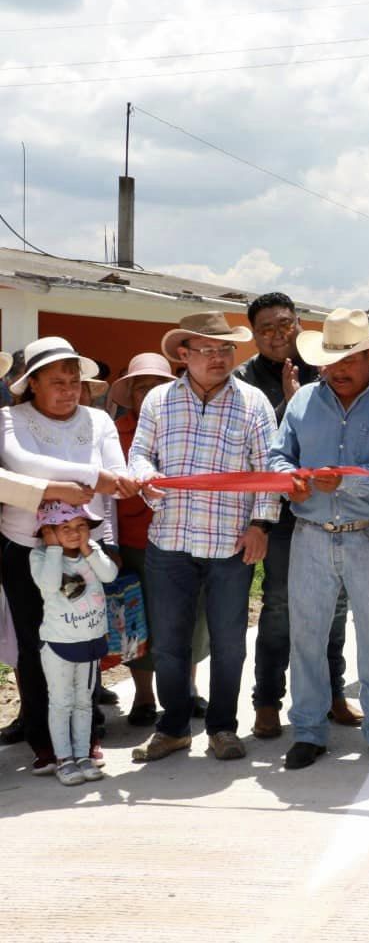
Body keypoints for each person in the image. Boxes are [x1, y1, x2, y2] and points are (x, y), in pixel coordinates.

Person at [268, 309, 369, 769]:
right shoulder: (302, 402)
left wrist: (348, 481)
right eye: (332, 359)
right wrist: (287, 478)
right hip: (310, 534)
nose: (338, 369)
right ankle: (309, 731)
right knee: (307, 637)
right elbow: (278, 455)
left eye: (349, 359)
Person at [127, 313, 280, 764]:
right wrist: (145, 476)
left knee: (229, 641)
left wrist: (261, 525)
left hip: (230, 543)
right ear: (183, 354)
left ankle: (222, 728)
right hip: (169, 539)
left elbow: (268, 470)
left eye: (226, 349)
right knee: (170, 643)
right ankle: (173, 727)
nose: (219, 358)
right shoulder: (158, 400)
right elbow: (140, 453)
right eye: (207, 350)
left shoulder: (253, 403)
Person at [0, 337, 133, 775]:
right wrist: (92, 477)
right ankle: (44, 739)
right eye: (57, 381)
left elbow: (117, 482)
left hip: (84, 548)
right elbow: (23, 464)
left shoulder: (98, 421)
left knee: (85, 640)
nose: (69, 389)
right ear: (30, 383)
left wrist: (105, 541)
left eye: (75, 381)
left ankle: (86, 733)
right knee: (36, 643)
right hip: (25, 547)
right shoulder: (9, 419)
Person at [234, 292, 357, 739]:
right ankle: (267, 701)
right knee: (281, 607)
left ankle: (333, 694)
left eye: (284, 325)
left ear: (299, 324)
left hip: (329, 508)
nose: (276, 336)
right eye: (265, 329)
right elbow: (261, 453)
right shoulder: (243, 381)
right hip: (278, 515)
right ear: (253, 334)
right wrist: (289, 403)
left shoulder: (326, 367)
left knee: (335, 607)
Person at [111, 352, 203, 730]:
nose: (149, 393)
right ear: (130, 394)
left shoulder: (192, 421)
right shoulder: (115, 432)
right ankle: (144, 696)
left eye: (158, 386)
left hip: (187, 533)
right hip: (137, 538)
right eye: (141, 387)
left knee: (191, 616)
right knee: (139, 618)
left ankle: (190, 689)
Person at [31, 501, 119, 785]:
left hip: (90, 642)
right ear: (48, 531)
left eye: (81, 526)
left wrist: (87, 549)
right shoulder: (40, 556)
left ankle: (83, 756)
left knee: (84, 702)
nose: (74, 532)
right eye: (64, 527)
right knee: (61, 702)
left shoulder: (91, 554)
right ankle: (63, 759)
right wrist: (53, 547)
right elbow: (48, 584)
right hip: (58, 644)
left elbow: (109, 575)